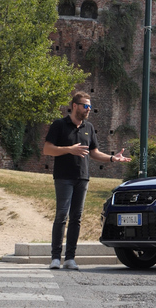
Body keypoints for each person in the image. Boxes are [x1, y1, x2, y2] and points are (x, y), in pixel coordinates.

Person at [43, 91, 130, 270]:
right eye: (85, 106)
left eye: (89, 106)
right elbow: (48, 149)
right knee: (61, 216)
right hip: (63, 177)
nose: (88, 109)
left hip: (82, 178)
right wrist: (69, 149)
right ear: (74, 106)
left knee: (76, 218)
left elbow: (94, 153)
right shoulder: (59, 125)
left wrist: (113, 158)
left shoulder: (88, 128)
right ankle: (55, 258)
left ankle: (70, 258)